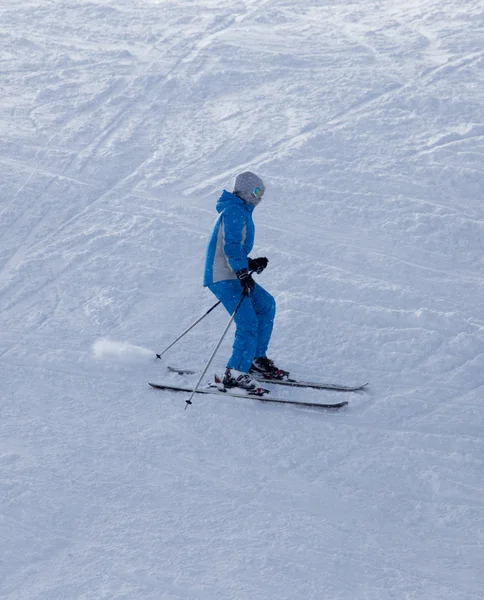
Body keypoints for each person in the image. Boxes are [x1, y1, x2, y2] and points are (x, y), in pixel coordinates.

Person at [203, 171, 288, 391]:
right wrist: (242, 271)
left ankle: (256, 359)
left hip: (233, 272)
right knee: (247, 321)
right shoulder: (233, 211)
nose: (260, 197)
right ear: (245, 190)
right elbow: (230, 247)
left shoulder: (240, 211)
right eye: (257, 191)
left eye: (262, 192)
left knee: (266, 304)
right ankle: (236, 372)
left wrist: (249, 264)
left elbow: (234, 248)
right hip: (222, 276)